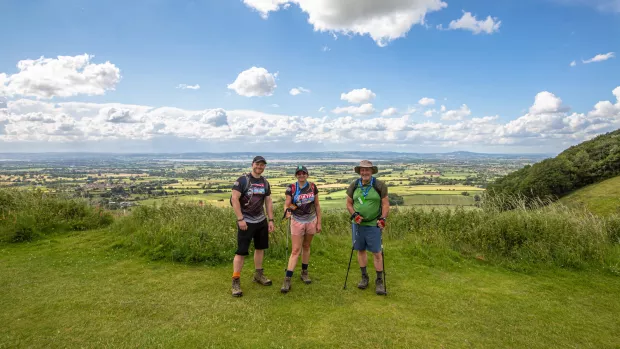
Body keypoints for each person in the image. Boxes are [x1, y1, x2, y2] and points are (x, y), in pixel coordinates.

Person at [230, 156, 275, 297]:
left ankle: (258, 275)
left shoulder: (265, 182)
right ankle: (235, 281)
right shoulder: (243, 180)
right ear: (252, 164)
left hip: (261, 221)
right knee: (241, 251)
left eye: (262, 165)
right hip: (246, 221)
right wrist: (240, 219)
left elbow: (268, 201)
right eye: (257, 164)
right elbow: (234, 199)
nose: (259, 167)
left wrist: (271, 220)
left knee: (260, 248)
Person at [346, 160, 389, 296]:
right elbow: (348, 203)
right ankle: (364, 277)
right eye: (362, 170)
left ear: (372, 171)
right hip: (358, 225)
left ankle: (379, 281)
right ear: (359, 172)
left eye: (367, 170)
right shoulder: (354, 185)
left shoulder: (379, 185)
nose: (364, 172)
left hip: (373, 224)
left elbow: (386, 204)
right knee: (360, 250)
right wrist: (354, 215)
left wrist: (383, 218)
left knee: (377, 253)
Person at [280, 165, 322, 293]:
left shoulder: (313, 187)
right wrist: (286, 212)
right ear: (296, 175)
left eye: (303, 173)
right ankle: (287, 279)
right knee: (295, 250)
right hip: (297, 221)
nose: (301, 175)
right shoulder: (291, 188)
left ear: (307, 175)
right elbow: (287, 204)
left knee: (307, 246)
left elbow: (317, 205)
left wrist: (319, 222)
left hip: (311, 220)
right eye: (299, 173)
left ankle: (304, 272)